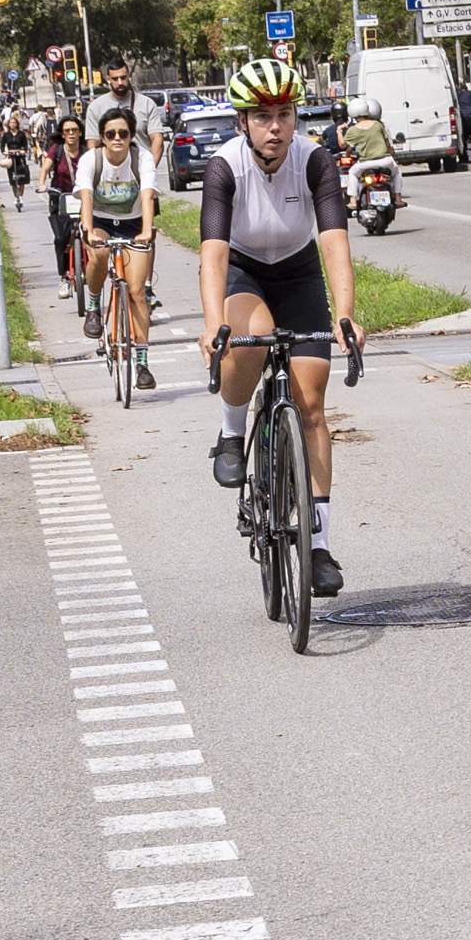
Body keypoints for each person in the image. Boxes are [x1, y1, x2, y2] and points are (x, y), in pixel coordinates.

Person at [198, 60, 362, 598]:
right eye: (263, 116)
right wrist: (213, 323)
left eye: (285, 114)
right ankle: (231, 428)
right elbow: (214, 254)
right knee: (252, 335)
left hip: (297, 271)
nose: (276, 127)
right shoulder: (224, 168)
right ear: (243, 122)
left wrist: (345, 313)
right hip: (244, 269)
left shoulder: (315, 161)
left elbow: (335, 241)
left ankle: (317, 548)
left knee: (312, 401)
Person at [74, 102, 162, 390]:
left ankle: (142, 363)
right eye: (110, 134)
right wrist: (88, 230)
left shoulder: (142, 159)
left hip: (134, 224)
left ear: (131, 136)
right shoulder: (91, 160)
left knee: (137, 292)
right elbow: (86, 197)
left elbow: (148, 196)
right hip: (100, 220)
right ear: (102, 136)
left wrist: (147, 231)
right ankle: (93, 306)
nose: (117, 139)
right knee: (98, 254)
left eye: (123, 134)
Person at [84, 63, 169, 183]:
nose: (120, 82)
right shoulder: (96, 107)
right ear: (108, 79)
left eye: (123, 78)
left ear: (129, 76)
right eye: (115, 79)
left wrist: (148, 172)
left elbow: (157, 139)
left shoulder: (147, 104)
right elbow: (92, 144)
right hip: (109, 181)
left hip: (140, 174)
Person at [43, 113, 86, 297]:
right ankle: (64, 277)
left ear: (80, 132)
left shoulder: (86, 150)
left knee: (92, 236)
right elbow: (45, 167)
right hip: (61, 197)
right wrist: (41, 183)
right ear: (62, 134)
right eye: (67, 131)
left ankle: (88, 270)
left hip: (85, 197)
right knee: (61, 239)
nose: (71, 134)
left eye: (74, 130)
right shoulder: (57, 150)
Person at [0, 112, 33, 208]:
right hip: (11, 158)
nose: (12, 124)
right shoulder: (6, 135)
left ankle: (21, 196)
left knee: (22, 178)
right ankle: (16, 196)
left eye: (14, 123)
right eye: (11, 123)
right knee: (13, 179)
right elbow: (2, 145)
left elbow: (25, 145)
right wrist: (4, 152)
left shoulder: (21, 134)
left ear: (17, 124)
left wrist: (24, 151)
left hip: (20, 158)